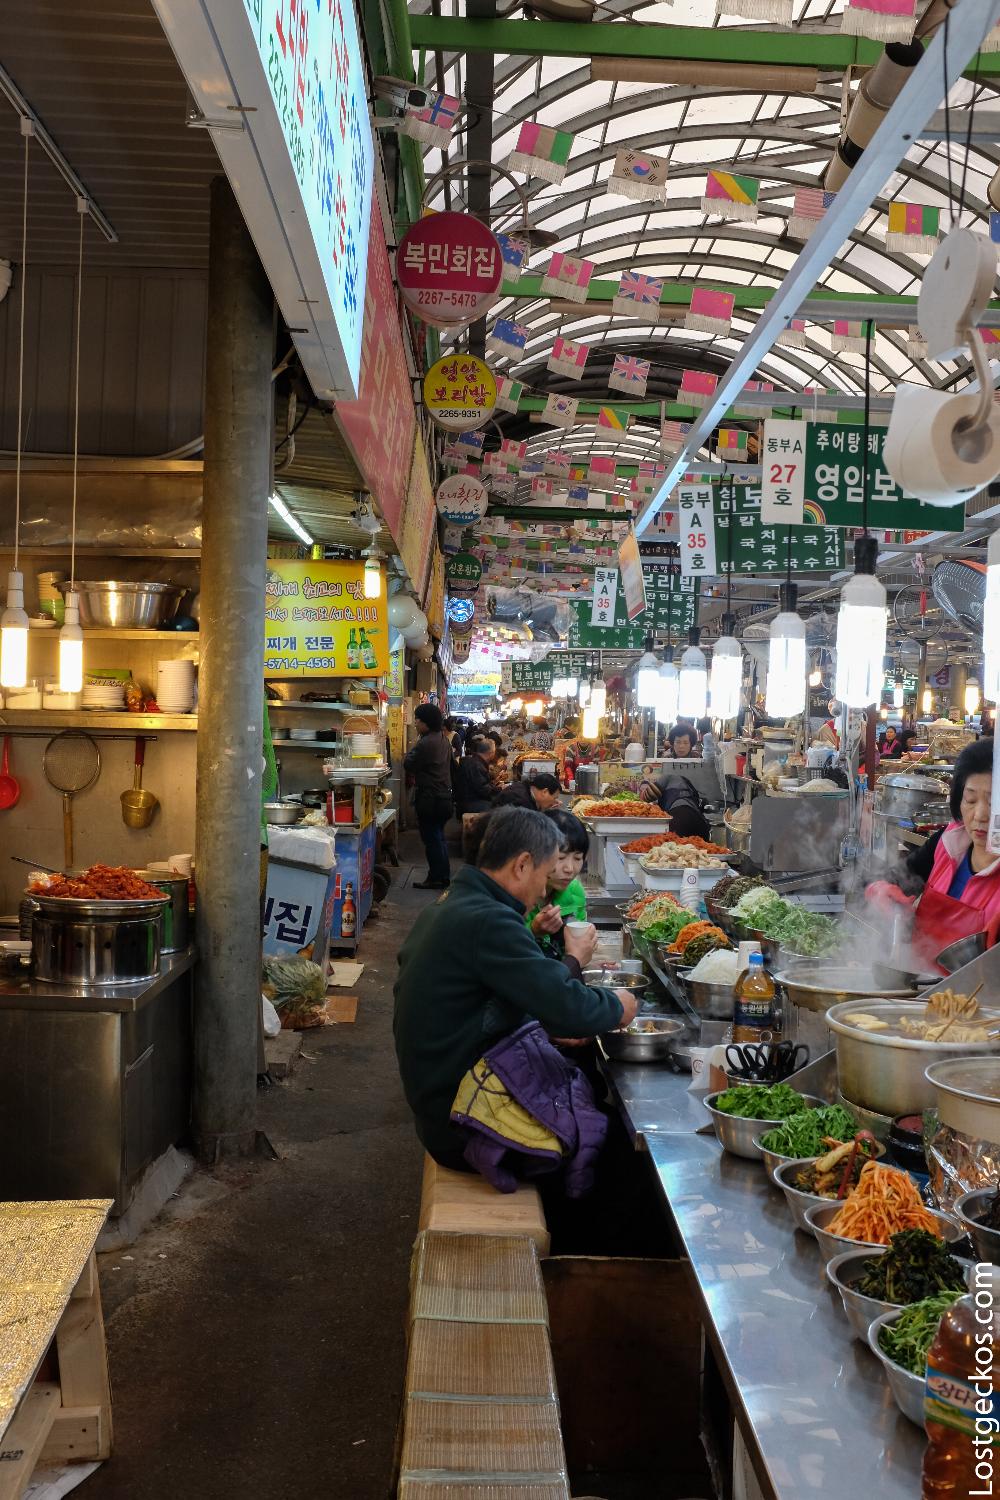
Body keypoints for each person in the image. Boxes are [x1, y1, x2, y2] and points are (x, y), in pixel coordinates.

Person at [393, 808, 637, 1167]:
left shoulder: (455, 903)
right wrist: (619, 1006)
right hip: (463, 1117)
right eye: (545, 872)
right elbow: (567, 1007)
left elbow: (493, 999)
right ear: (522, 865)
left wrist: (542, 1022)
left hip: (443, 1094)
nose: (543, 889)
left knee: (591, 1106)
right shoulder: (489, 921)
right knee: (610, 1147)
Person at [867, 738, 1000, 954]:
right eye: (970, 800)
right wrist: (880, 888)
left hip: (977, 987)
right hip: (916, 980)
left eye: (994, 803)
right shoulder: (947, 842)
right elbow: (898, 877)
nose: (980, 815)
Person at [527, 807, 589, 959]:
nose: (570, 869)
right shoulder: (519, 893)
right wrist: (533, 931)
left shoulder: (575, 891)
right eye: (561, 858)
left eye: (577, 858)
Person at [404, 704, 454, 890]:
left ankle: (436, 878)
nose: (415, 723)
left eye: (417, 719)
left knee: (432, 839)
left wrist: (410, 750)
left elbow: (409, 763)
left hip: (430, 799)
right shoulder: (442, 739)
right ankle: (443, 876)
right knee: (438, 837)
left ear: (426, 722)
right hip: (443, 798)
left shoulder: (426, 743)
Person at [637, 766, 711, 839]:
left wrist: (637, 801)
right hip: (699, 822)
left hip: (680, 817)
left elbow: (648, 795)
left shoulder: (666, 778)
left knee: (674, 846)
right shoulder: (685, 783)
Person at [455, 735, 496, 815]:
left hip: (467, 800)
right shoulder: (476, 765)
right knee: (500, 807)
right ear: (490, 753)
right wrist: (499, 789)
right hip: (470, 803)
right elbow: (483, 790)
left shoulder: (474, 761)